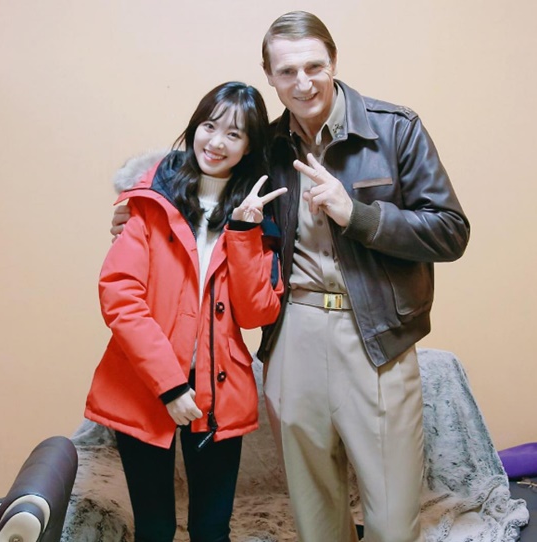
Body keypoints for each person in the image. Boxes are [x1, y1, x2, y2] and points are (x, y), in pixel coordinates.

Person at [111, 11, 471, 542]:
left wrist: (357, 214)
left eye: (314, 66)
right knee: (315, 513)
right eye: (287, 71)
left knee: (393, 518)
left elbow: (451, 232)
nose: (303, 83)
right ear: (270, 76)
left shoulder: (395, 128)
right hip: (293, 328)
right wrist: (133, 209)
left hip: (377, 334)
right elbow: (199, 184)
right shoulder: (266, 146)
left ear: (333, 62)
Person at [85, 81, 286, 542]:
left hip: (219, 389)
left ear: (249, 146)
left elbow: (257, 313)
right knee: (154, 529)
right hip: (144, 384)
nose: (216, 142)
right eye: (209, 126)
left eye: (234, 134)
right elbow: (121, 296)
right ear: (195, 127)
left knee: (211, 530)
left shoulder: (258, 216)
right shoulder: (150, 202)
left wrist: (244, 233)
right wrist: (171, 386)